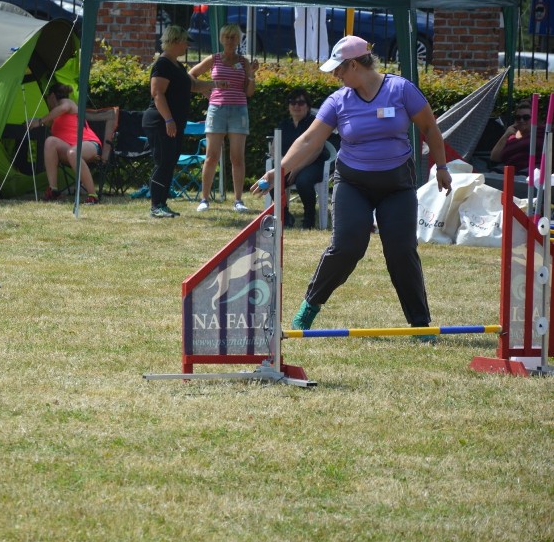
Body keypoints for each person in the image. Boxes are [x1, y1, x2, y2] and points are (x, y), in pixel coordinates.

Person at [250, 35, 452, 341]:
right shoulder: (338, 101)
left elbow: (429, 127)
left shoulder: (401, 90)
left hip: (397, 185)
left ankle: (421, 325)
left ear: (354, 65)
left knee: (401, 251)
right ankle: (309, 307)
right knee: (347, 246)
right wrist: (279, 170)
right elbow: (310, 141)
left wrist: (443, 167)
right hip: (353, 183)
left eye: (339, 70)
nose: (336, 76)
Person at [143, 25, 217, 218]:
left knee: (170, 161)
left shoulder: (177, 65)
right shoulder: (163, 64)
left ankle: (162, 203)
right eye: (185, 42)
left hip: (174, 122)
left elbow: (193, 85)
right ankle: (155, 206)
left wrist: (215, 84)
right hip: (160, 122)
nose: (187, 46)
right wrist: (168, 119)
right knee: (163, 162)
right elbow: (157, 93)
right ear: (175, 41)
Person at [188, 23, 258, 213]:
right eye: (227, 37)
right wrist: (208, 91)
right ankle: (204, 198)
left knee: (237, 157)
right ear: (221, 39)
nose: (230, 40)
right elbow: (191, 75)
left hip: (239, 110)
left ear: (238, 40)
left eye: (233, 37)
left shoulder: (243, 62)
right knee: (211, 157)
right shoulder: (214, 59)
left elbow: (249, 92)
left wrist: (251, 74)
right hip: (217, 109)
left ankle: (238, 200)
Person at [29, 83, 101, 204]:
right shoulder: (55, 115)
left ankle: (93, 195)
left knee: (73, 152)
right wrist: (31, 122)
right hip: (69, 148)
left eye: (47, 99)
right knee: (50, 141)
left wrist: (40, 121)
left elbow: (63, 108)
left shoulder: (67, 103)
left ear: (52, 96)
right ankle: (53, 190)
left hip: (89, 144)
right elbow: (50, 121)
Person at [277, 88, 330, 229]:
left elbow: (316, 150)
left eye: (301, 103)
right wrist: (287, 167)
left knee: (303, 181)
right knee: (274, 181)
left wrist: (297, 168)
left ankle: (309, 220)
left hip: (314, 163)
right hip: (291, 165)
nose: (296, 106)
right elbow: (276, 150)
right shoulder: (284, 125)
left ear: (307, 106)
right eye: (292, 102)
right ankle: (285, 217)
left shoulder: (314, 124)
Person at [489, 99, 544, 173]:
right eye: (518, 117)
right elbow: (494, 158)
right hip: (509, 171)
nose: (521, 120)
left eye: (526, 117)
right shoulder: (511, 136)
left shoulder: (542, 132)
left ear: (534, 118)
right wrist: (505, 135)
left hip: (531, 173)